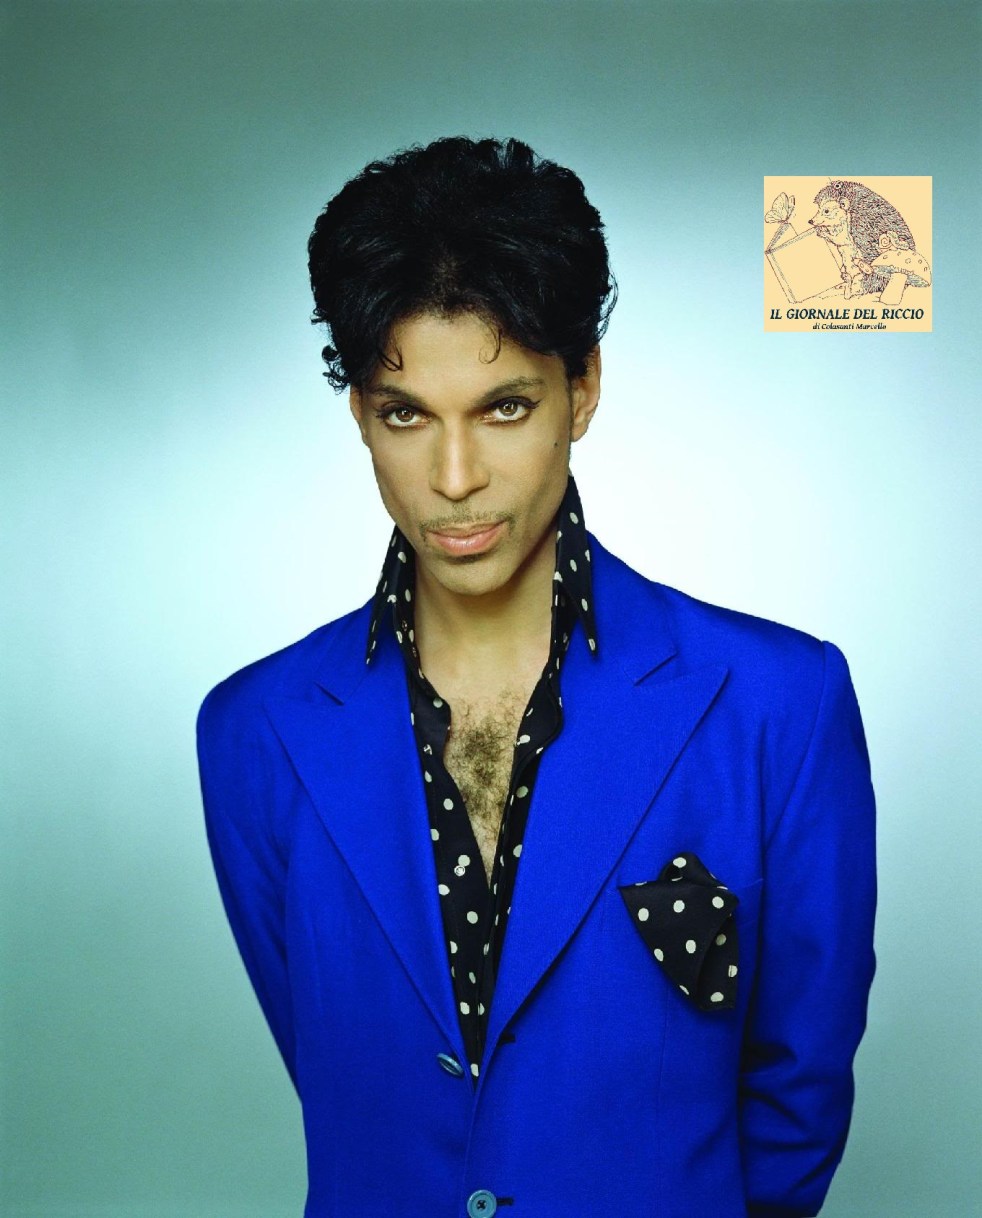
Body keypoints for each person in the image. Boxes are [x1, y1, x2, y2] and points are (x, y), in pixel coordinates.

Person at [196, 136, 876, 1218]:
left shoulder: (777, 703)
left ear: (582, 389)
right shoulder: (253, 730)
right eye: (406, 413)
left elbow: (798, 1091)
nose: (454, 478)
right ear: (360, 414)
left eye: (504, 407)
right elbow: (343, 1077)